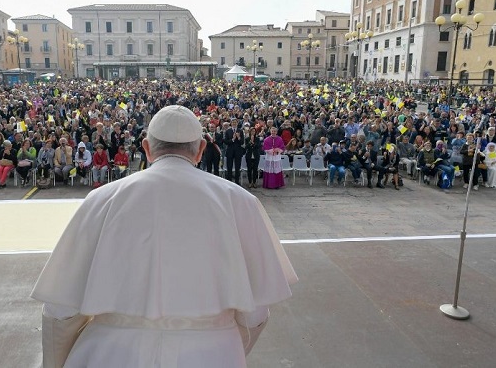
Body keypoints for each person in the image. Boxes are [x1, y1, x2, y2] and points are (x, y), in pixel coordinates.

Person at [31, 105, 297, 368]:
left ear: (146, 148)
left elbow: (61, 312)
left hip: (111, 353)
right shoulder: (240, 201)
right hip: (211, 354)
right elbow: (256, 314)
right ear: (201, 150)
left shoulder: (102, 199)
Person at [224, 119, 244, 185]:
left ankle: (237, 181)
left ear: (237, 123)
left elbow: (242, 142)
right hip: (230, 151)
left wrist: (238, 138)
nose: (234, 123)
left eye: (235, 122)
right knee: (229, 167)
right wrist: (232, 139)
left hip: (238, 151)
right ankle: (229, 181)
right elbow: (226, 142)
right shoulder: (228, 131)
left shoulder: (240, 131)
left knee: (237, 167)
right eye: (233, 122)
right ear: (231, 123)